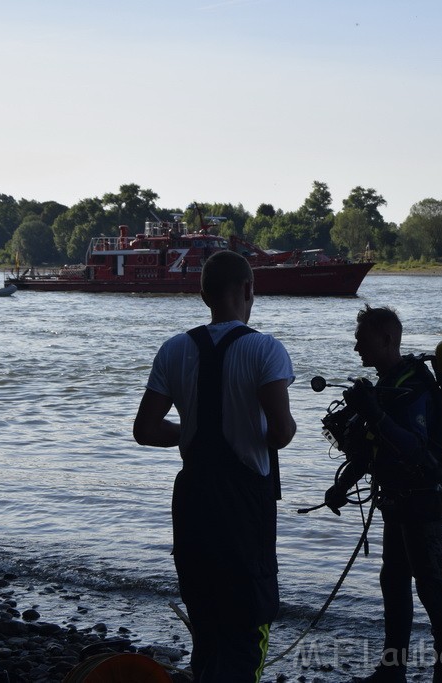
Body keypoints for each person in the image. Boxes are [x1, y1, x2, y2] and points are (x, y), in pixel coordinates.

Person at [133, 250, 296, 682]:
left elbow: (145, 430)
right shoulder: (266, 349)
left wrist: (190, 433)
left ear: (203, 294)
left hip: (192, 499)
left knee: (205, 620)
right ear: (248, 290)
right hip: (243, 504)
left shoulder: (174, 349)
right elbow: (280, 433)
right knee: (248, 623)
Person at [325, 305, 442, 683]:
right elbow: (372, 449)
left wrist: (374, 412)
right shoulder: (386, 386)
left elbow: (414, 448)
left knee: (432, 589)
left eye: (361, 341)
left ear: (386, 340)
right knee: (394, 581)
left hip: (423, 498)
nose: (356, 349)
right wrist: (340, 487)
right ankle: (392, 670)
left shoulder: (413, 385)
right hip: (396, 498)